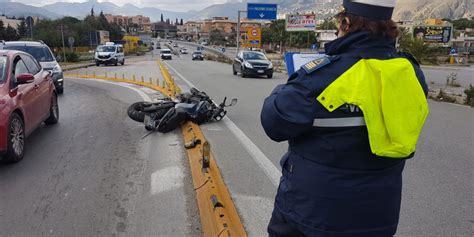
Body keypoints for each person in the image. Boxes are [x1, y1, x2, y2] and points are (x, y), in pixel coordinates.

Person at [261, 0, 429, 236]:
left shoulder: (324, 75)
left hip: (311, 217)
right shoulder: (411, 74)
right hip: (379, 217)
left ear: (346, 23)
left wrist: (286, 86)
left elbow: (274, 121)